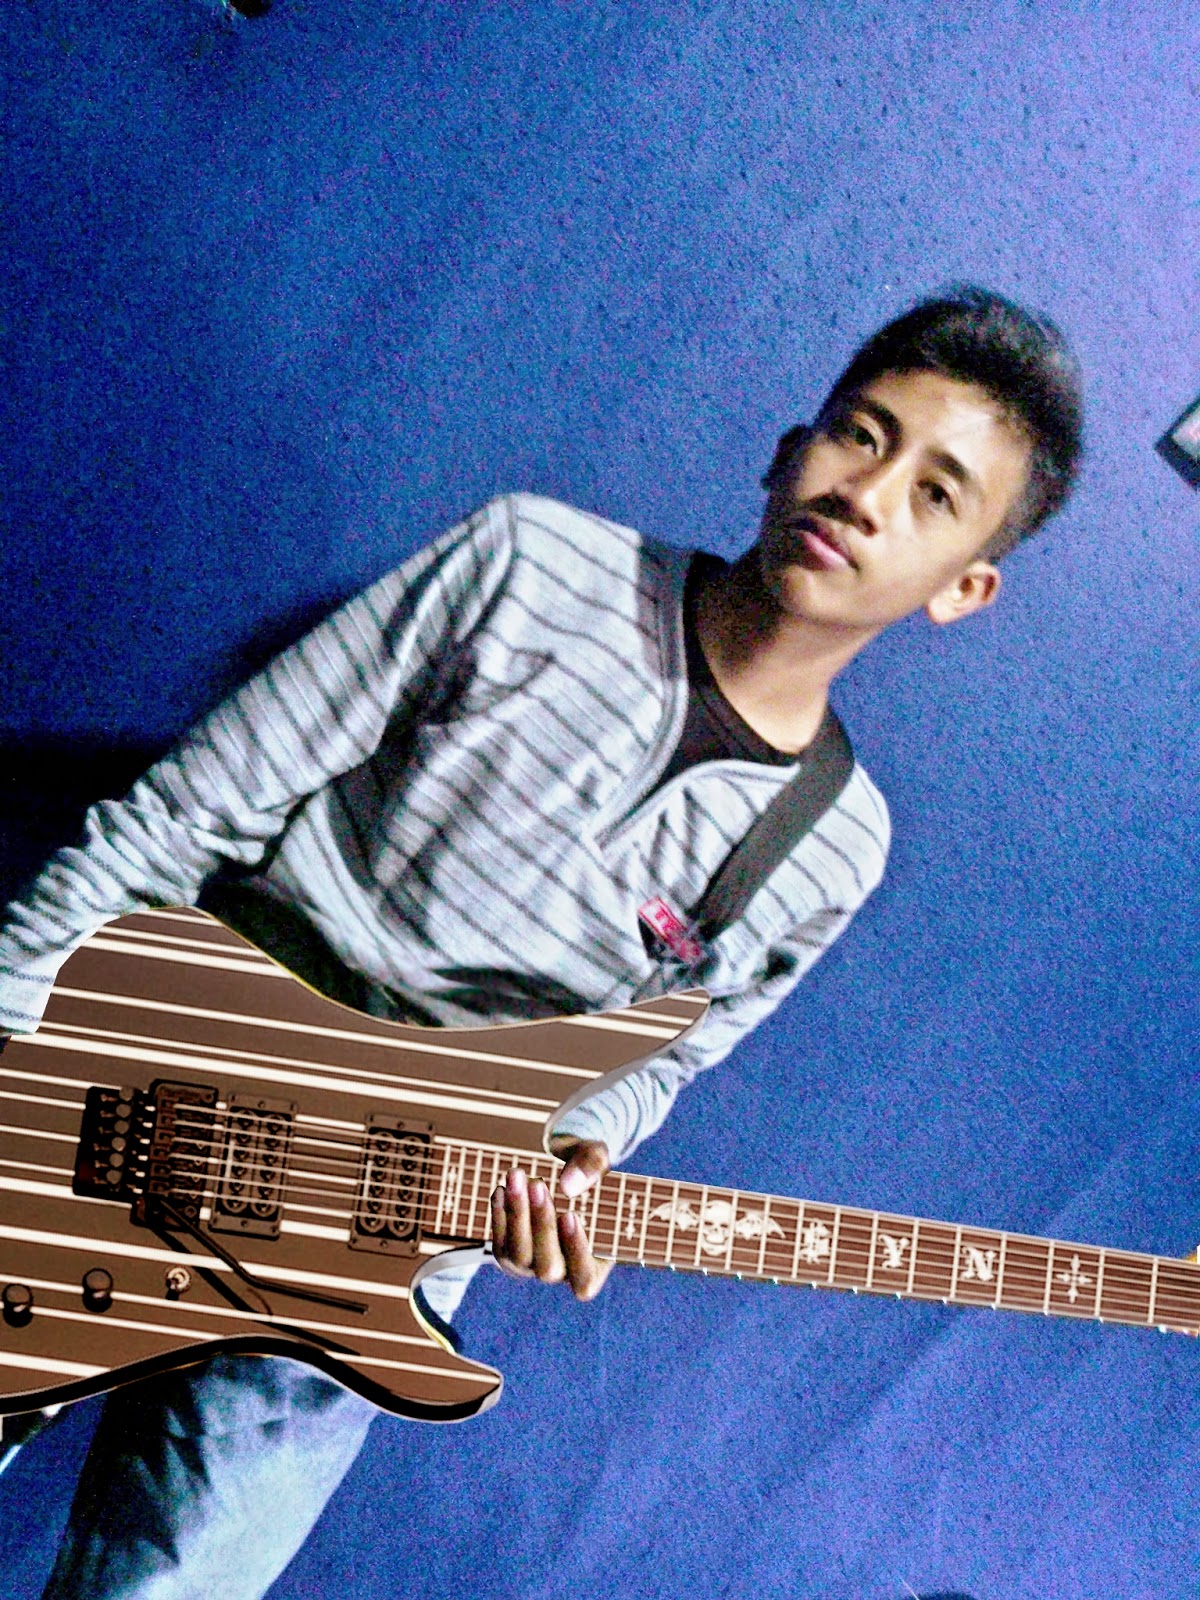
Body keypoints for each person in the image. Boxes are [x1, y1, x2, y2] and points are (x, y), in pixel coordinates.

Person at [0, 287, 1083, 1598]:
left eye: (935, 494)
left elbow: (662, 1063)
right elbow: (184, 815)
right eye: (861, 434)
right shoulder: (529, 562)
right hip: (155, 1080)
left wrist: (572, 1161)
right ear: (788, 447)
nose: (868, 493)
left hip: (381, 1246)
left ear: (965, 587)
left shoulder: (837, 845)